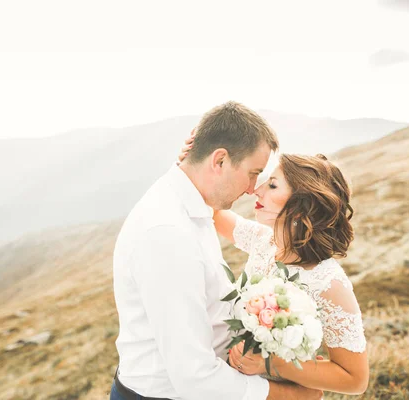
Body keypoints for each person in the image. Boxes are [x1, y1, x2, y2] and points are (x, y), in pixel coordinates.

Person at [112, 101, 324, 400]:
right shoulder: (168, 235)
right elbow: (194, 377)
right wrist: (290, 396)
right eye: (253, 173)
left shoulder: (191, 203)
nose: (253, 188)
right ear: (220, 161)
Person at [178, 142, 369, 395]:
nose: (257, 190)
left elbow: (355, 380)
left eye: (272, 185)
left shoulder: (328, 282)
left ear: (303, 208)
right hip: (233, 386)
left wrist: (274, 364)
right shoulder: (264, 241)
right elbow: (211, 210)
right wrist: (189, 164)